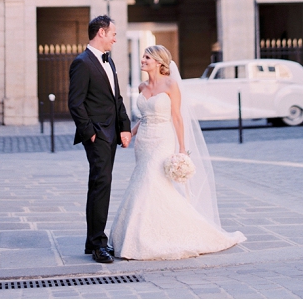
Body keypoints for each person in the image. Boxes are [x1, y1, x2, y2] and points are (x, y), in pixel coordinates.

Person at [108, 44, 245, 260]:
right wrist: (129, 134)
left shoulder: (171, 84)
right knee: (145, 182)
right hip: (143, 141)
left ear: (159, 62)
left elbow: (178, 118)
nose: (142, 60)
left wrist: (182, 149)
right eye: (143, 57)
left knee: (149, 181)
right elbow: (142, 117)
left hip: (163, 139)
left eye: (147, 57)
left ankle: (153, 236)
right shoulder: (141, 87)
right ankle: (141, 233)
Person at [68, 15, 132, 264]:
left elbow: (116, 98)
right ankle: (98, 245)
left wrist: (124, 127)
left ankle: (91, 241)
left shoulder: (110, 62)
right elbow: (75, 103)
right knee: (101, 184)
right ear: (101, 33)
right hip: (97, 134)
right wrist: (90, 133)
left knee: (101, 183)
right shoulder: (82, 63)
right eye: (113, 33)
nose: (116, 38)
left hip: (111, 132)